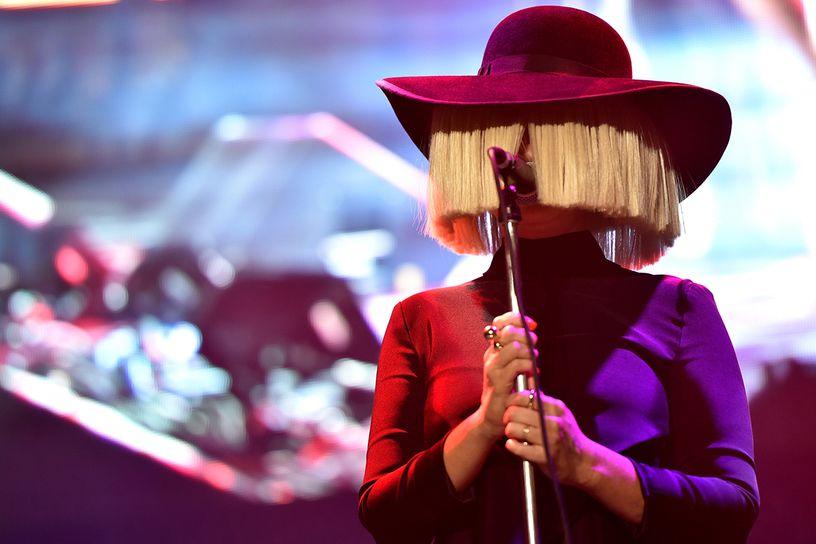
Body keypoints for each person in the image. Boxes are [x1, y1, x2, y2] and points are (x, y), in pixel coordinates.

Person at [358, 6, 759, 543]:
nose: (523, 157)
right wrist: (482, 426)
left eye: (547, 134)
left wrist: (586, 464)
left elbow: (731, 508)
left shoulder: (679, 309)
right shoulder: (422, 319)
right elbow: (384, 515)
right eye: (506, 131)